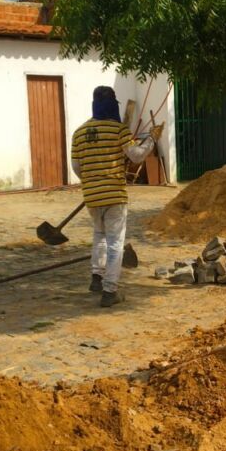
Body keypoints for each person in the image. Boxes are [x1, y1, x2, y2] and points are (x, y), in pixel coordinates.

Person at [71, 86, 161, 307]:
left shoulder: (79, 133)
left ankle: (96, 277)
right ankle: (110, 291)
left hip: (92, 196)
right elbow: (136, 156)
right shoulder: (119, 130)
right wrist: (151, 139)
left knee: (99, 235)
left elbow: (77, 167)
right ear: (113, 105)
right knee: (115, 243)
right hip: (114, 196)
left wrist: (92, 180)